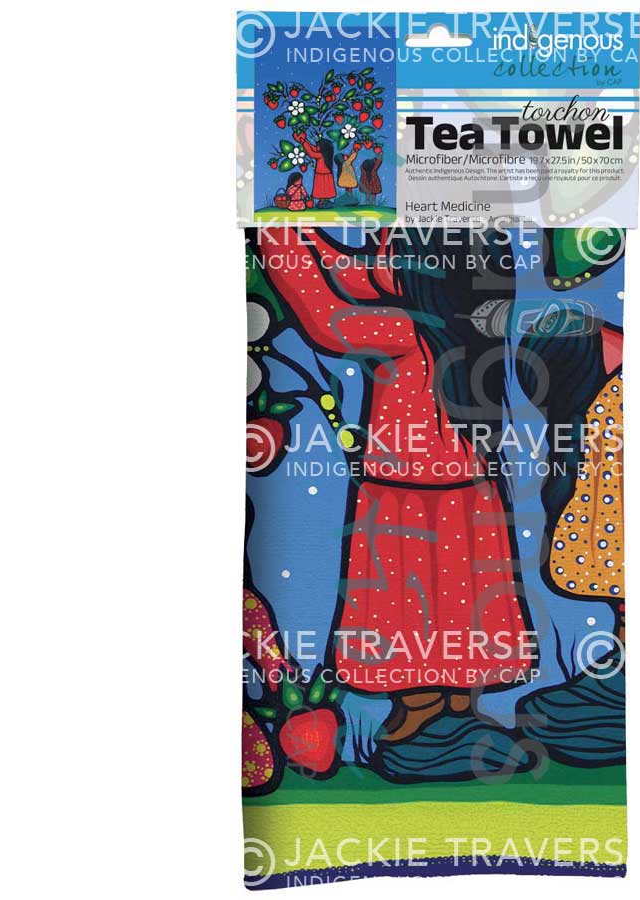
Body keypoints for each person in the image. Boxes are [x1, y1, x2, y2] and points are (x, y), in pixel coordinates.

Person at [257, 227, 536, 743]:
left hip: (409, 494)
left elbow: (327, 320)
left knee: (409, 604)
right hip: (465, 491)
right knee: (459, 605)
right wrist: (307, 229)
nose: (377, 254)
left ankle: (424, 706)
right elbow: (357, 275)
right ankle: (456, 704)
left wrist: (278, 235)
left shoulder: (411, 329)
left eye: (391, 247)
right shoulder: (460, 320)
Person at [297, 134, 336, 207]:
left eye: (318, 146)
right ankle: (324, 200)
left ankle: (323, 201)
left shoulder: (321, 155)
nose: (316, 147)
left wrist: (304, 143)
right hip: (323, 174)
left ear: (323, 148)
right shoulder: (323, 153)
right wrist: (305, 141)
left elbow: (311, 154)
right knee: (324, 188)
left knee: (322, 188)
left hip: (322, 174)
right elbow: (313, 148)